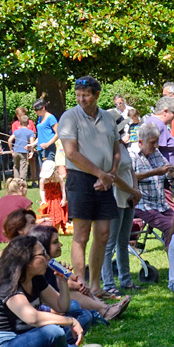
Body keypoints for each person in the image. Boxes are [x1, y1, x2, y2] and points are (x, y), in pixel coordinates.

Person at [0, 235, 102, 347]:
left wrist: (62, 283)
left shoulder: (36, 278)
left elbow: (61, 307)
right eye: (42, 254)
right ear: (26, 260)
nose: (48, 258)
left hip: (26, 337)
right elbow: (33, 318)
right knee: (52, 331)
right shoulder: (7, 284)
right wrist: (70, 321)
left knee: (81, 317)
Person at [59, 76, 122, 299]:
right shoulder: (69, 117)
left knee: (103, 234)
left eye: (86, 94)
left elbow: (116, 150)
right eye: (78, 94)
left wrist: (110, 175)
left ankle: (95, 286)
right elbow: (71, 153)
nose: (81, 98)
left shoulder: (108, 118)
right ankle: (81, 285)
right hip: (81, 179)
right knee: (81, 235)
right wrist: (100, 174)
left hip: (105, 180)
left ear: (96, 95)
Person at [31, 225, 128, 322]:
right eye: (55, 242)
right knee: (73, 301)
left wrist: (80, 280)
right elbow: (55, 284)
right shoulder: (38, 267)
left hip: (58, 301)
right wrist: (77, 285)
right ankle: (103, 311)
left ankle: (105, 308)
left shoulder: (52, 262)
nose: (61, 244)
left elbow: (70, 275)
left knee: (79, 290)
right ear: (43, 245)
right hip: (47, 306)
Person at [101, 133, 140, 294]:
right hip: (115, 198)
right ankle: (108, 284)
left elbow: (131, 170)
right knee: (109, 243)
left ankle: (126, 280)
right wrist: (133, 191)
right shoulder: (107, 149)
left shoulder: (123, 146)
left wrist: (135, 191)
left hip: (129, 198)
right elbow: (114, 177)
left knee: (123, 241)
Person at [132, 122, 174, 241]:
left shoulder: (156, 153)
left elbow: (166, 173)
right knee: (171, 227)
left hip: (161, 205)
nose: (156, 146)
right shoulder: (132, 155)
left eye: (157, 141)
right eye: (152, 142)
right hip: (142, 205)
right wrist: (154, 172)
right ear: (141, 142)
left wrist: (171, 173)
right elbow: (128, 177)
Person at [0, 178, 33, 243]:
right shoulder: (24, 201)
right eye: (26, 187)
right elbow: (32, 220)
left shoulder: (2, 199)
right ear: (21, 188)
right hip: (14, 236)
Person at [38, 160, 69, 235]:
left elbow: (62, 189)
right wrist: (43, 200)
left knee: (58, 216)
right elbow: (42, 190)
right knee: (49, 216)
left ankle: (56, 230)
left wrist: (64, 199)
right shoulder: (43, 180)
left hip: (57, 200)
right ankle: (49, 230)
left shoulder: (59, 178)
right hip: (48, 200)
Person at [8, 115, 37, 186]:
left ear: (19, 123)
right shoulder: (30, 132)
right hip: (24, 152)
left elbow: (9, 140)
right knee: (23, 167)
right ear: (28, 123)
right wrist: (32, 152)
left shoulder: (16, 131)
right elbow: (32, 143)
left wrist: (11, 150)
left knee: (16, 166)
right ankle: (22, 182)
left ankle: (16, 182)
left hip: (16, 151)